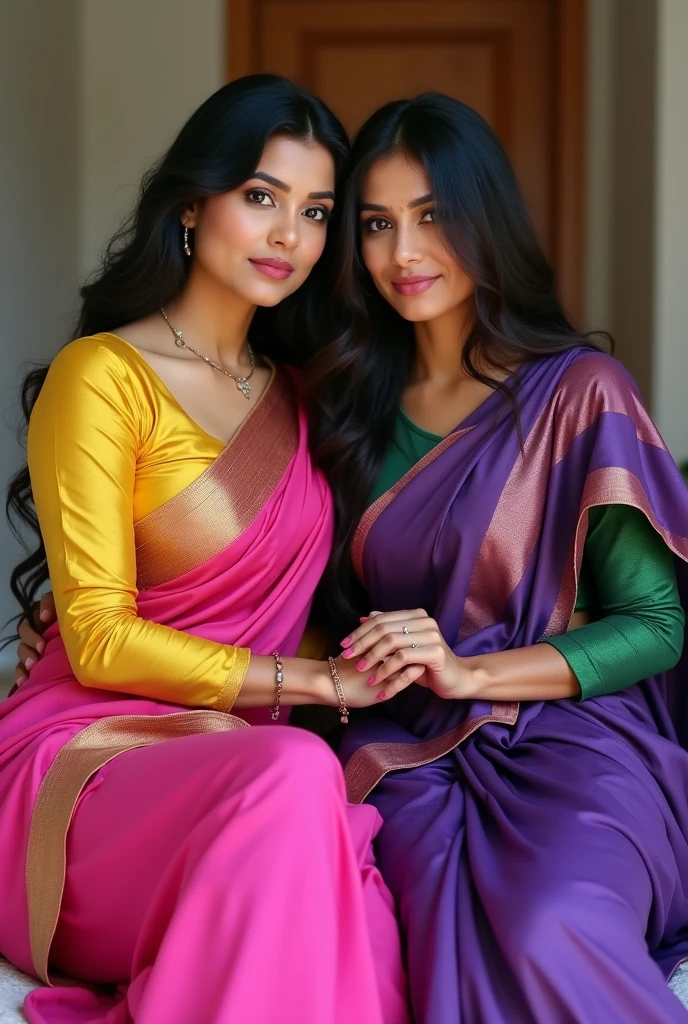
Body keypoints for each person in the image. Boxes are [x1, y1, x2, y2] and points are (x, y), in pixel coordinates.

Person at [1, 75, 408, 1024]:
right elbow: (99, 642)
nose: (288, 236)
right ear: (193, 205)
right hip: (87, 767)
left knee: (361, 880)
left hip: (242, 776)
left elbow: (292, 617)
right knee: (300, 779)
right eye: (261, 197)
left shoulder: (307, 401)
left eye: (315, 212)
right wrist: (310, 688)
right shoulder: (104, 376)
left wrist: (370, 662)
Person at [303, 94, 688, 1022]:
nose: (403, 254)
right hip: (406, 751)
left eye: (432, 216)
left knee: (550, 922)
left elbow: (659, 624)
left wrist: (472, 673)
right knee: (415, 925)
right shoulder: (344, 405)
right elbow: (283, 584)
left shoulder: (577, 393)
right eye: (376, 225)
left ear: (486, 218)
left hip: (578, 738)